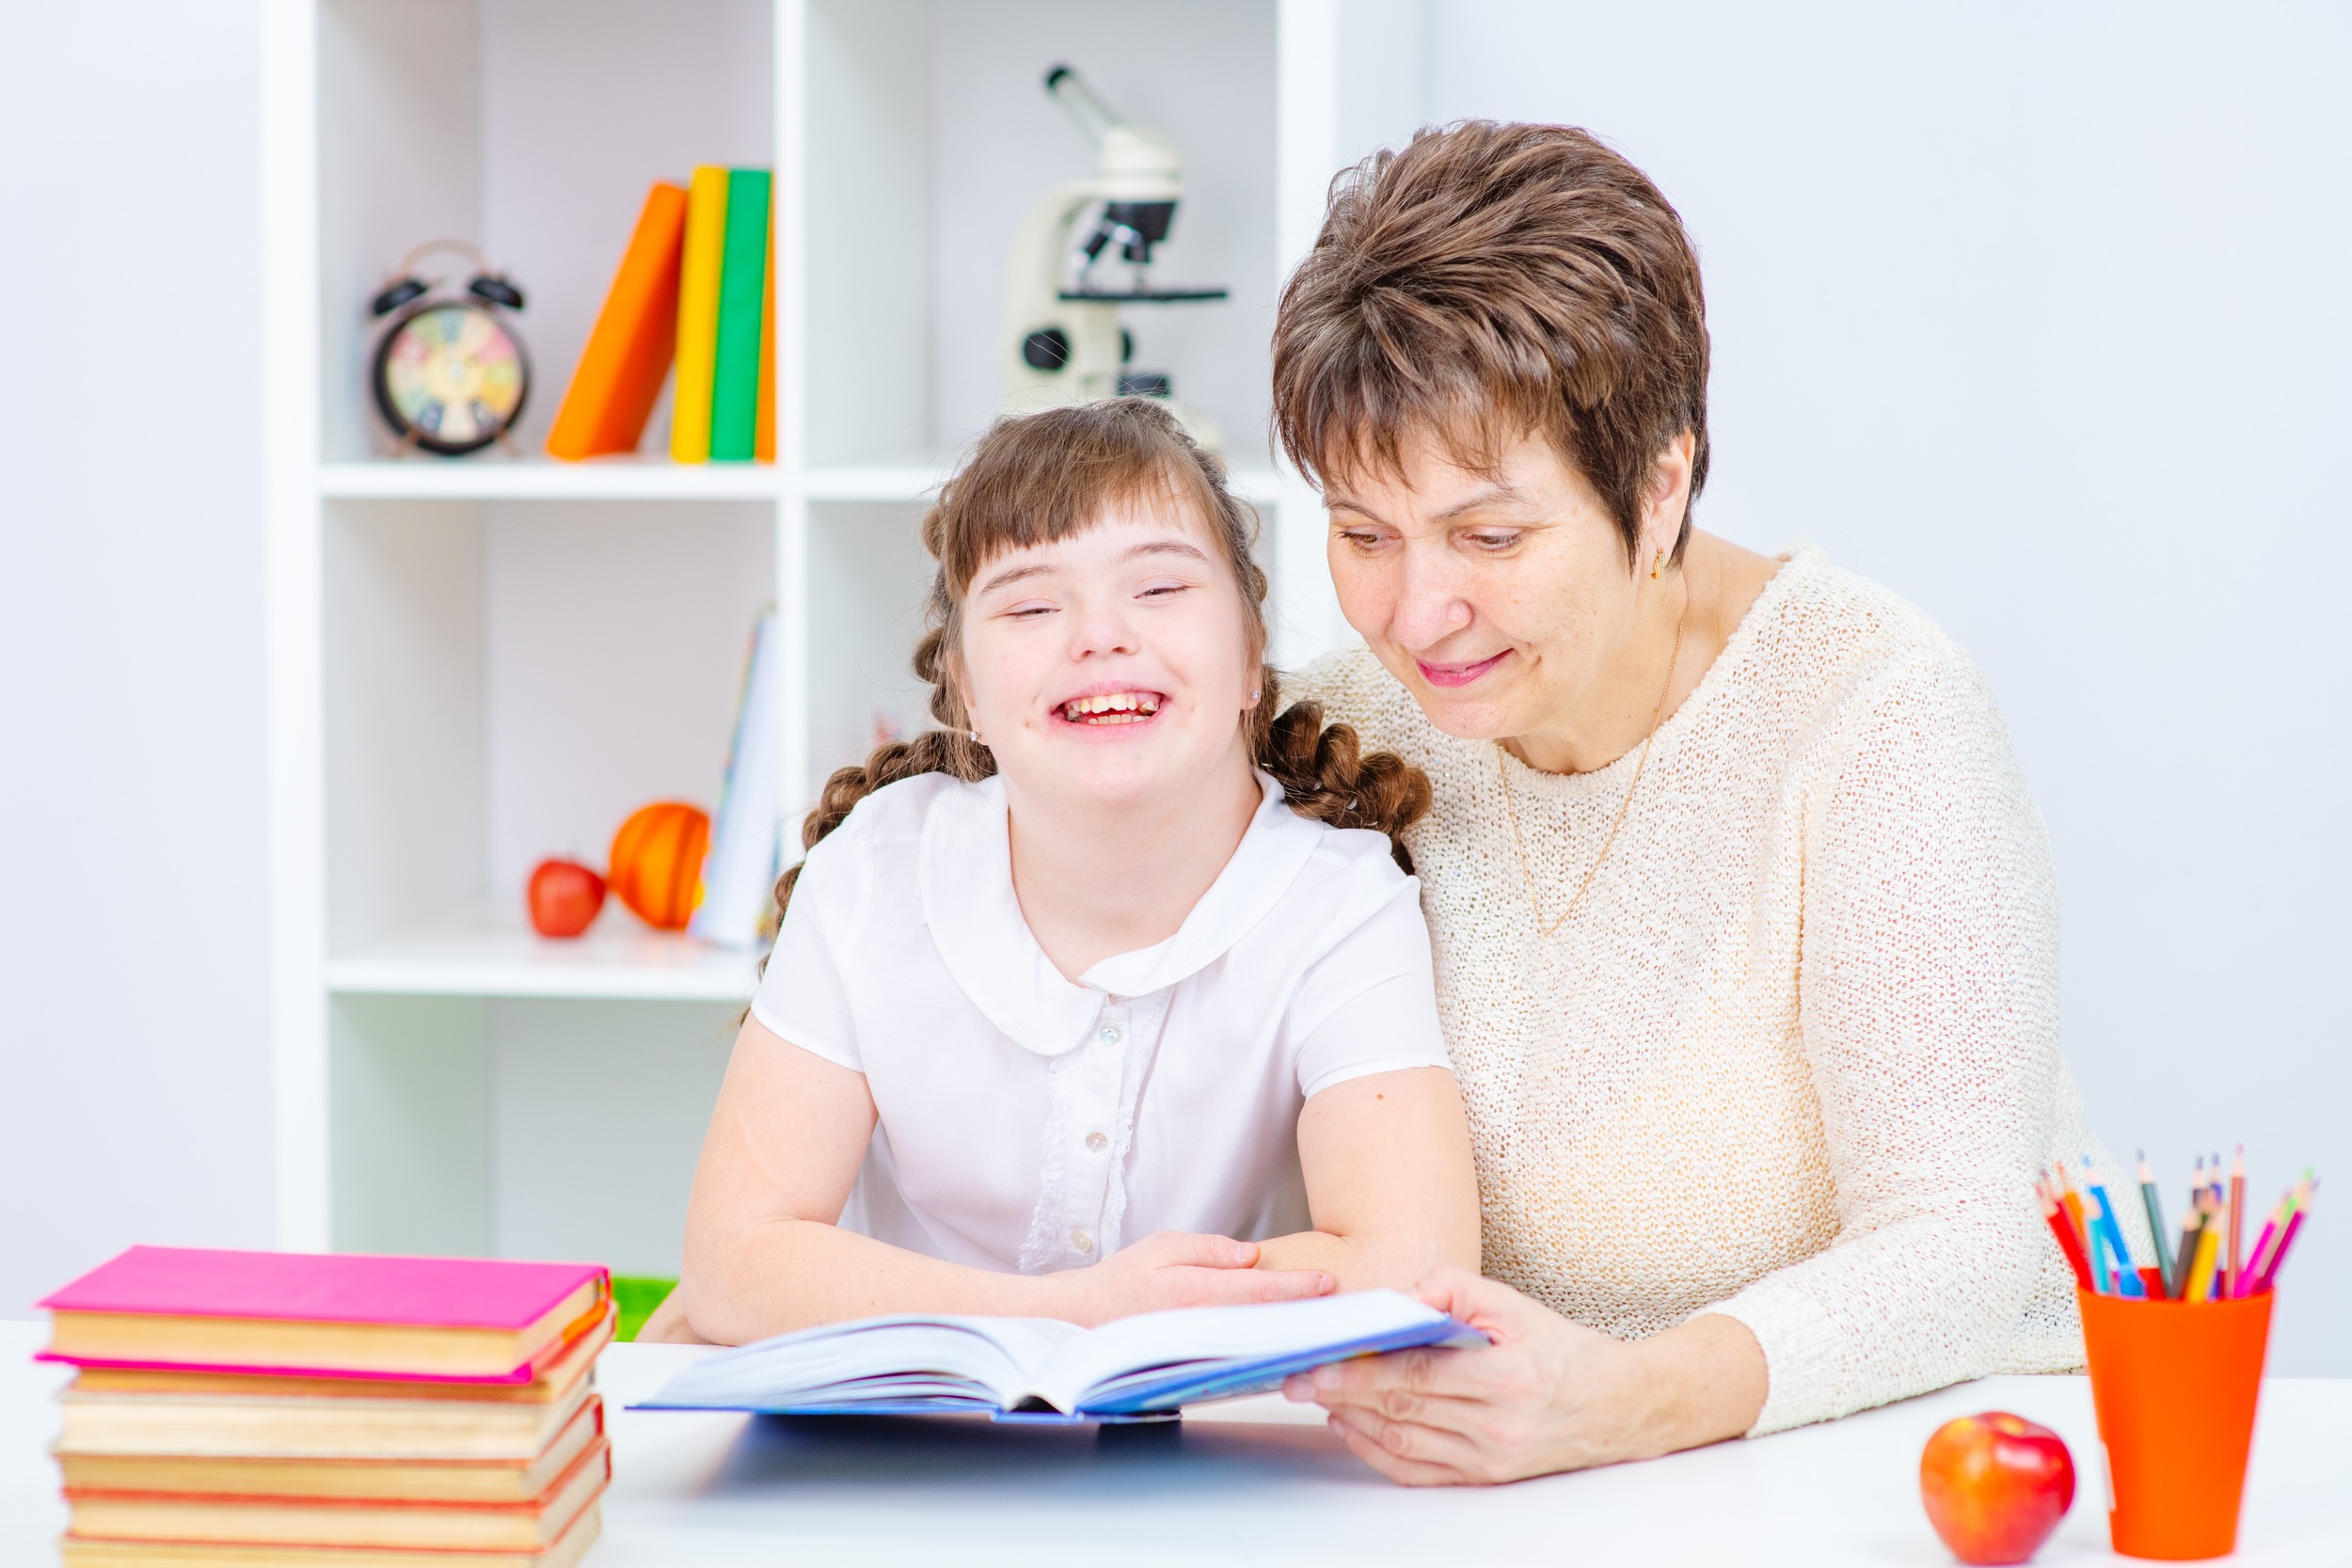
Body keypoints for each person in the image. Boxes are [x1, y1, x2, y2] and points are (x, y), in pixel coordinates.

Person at [1266, 121, 2134, 1483]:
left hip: (1912, 1457)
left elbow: (1964, 1239)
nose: (1416, 613)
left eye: (1491, 535)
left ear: (1659, 482)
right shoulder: (1338, 726)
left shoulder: (1871, 709)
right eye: (1361, 531)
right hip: (1512, 1484)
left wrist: (1629, 1398)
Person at [651, 399, 1480, 1346]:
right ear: (967, 689)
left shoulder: (1340, 898)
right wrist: (1075, 1312)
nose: (1099, 633)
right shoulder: (873, 870)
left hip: (1221, 1431)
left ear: (1251, 656)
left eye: (1158, 587)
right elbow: (730, 1265)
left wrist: (1121, 1318)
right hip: (909, 1427)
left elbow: (1415, 1263)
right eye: (1032, 605)